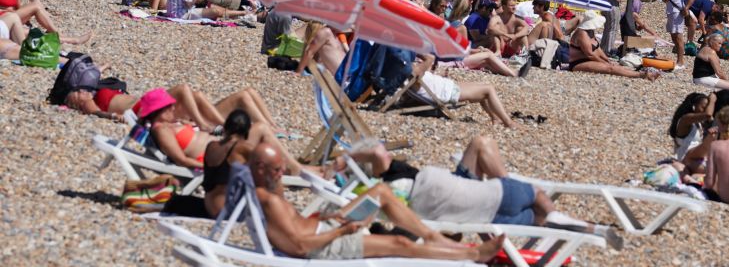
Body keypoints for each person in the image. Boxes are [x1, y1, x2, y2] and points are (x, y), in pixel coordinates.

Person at [346, 135, 624, 249]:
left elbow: (448, 235)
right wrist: (341, 159)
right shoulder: (391, 176)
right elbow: (376, 151)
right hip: (493, 194)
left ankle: (563, 221)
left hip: (484, 218)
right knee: (536, 196)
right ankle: (562, 218)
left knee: (535, 219)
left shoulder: (394, 213)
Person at [248, 143, 504, 262]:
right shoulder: (267, 200)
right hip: (323, 245)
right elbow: (301, 246)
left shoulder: (266, 189)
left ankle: (431, 236)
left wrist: (329, 219)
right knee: (399, 242)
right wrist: (341, 230)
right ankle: (472, 254)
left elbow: (297, 226)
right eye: (277, 170)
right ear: (259, 168)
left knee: (380, 191)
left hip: (322, 227)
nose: (282, 174)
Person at [135, 89, 306, 173]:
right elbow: (181, 159)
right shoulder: (162, 130)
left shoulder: (171, 124)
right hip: (216, 158)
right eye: (169, 107)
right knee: (261, 129)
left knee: (262, 131)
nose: (173, 108)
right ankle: (293, 167)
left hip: (220, 148)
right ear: (159, 111)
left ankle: (293, 167)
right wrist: (207, 168)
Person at [567, 11, 658, 80]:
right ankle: (642, 75)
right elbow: (590, 54)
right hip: (578, 63)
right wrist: (604, 62)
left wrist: (607, 59)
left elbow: (597, 49)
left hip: (588, 59)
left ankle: (638, 73)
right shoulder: (582, 34)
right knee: (610, 68)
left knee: (613, 65)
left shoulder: (590, 31)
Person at [668, 92, 717, 175]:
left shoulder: (699, 124)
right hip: (686, 160)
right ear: (693, 106)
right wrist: (712, 100)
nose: (706, 110)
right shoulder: (685, 119)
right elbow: (708, 115)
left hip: (697, 156)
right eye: (703, 107)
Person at [664, 0, 696, 68]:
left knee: (678, 37)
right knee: (673, 36)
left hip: (677, 12)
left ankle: (680, 62)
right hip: (670, 11)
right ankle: (679, 59)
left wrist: (686, 7)